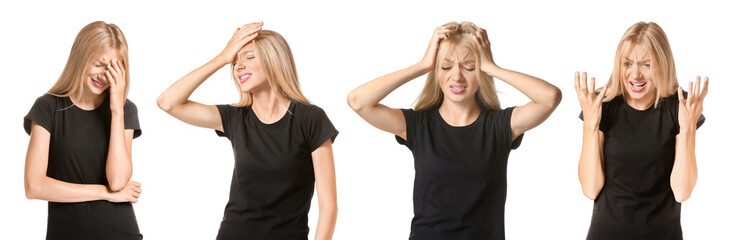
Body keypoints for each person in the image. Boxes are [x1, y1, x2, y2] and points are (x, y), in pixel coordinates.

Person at [347, 21, 562, 239]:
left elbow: (550, 98)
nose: (457, 76)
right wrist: (423, 65)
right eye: (447, 67)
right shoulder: (419, 125)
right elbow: (358, 101)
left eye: (469, 67)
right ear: (436, 72)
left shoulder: (499, 126)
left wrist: (492, 67)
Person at [157, 22, 338, 240]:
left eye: (249, 57)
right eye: (234, 62)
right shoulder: (235, 117)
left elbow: (328, 206)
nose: (238, 66)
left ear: (274, 61)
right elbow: (168, 102)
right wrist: (223, 57)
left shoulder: (310, 118)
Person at [575, 21, 708, 240]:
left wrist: (687, 130)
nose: (635, 75)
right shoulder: (604, 105)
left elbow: (682, 191)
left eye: (646, 65)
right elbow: (590, 189)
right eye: (627, 64)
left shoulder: (680, 107)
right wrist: (591, 123)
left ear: (662, 64)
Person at [23, 21, 143, 239]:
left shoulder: (126, 110)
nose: (104, 76)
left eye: (113, 69)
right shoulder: (48, 107)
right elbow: (34, 186)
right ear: (80, 58)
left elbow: (117, 181)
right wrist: (103, 193)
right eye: (98, 64)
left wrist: (116, 110)